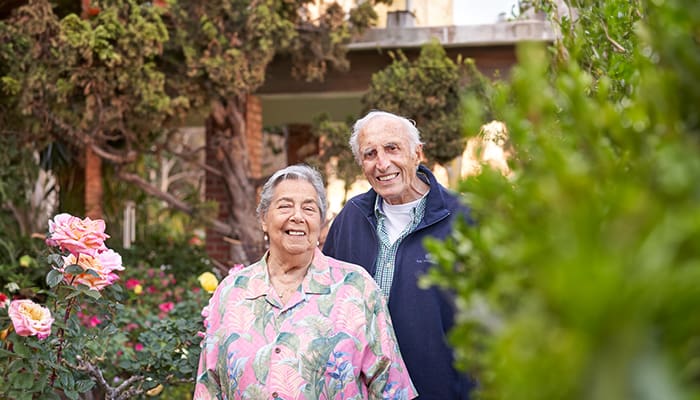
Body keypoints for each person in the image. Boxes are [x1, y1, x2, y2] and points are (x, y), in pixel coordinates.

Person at [194, 164, 417, 400]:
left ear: (320, 221)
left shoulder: (356, 287)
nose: (297, 216)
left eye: (309, 208)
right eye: (285, 206)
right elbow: (208, 388)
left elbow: (392, 389)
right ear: (263, 219)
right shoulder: (232, 291)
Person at [323, 111, 475, 399]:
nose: (382, 163)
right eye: (370, 154)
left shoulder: (465, 219)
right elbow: (324, 307)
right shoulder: (349, 220)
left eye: (392, 148)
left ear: (417, 154)